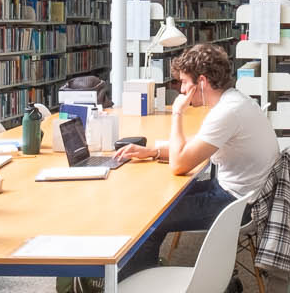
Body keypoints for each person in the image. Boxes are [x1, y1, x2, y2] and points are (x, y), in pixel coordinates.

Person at [114, 42, 281, 272]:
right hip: (241, 194)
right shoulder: (234, 101)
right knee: (158, 199)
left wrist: (177, 112)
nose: (181, 90)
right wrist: (152, 151)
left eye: (184, 82)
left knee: (150, 218)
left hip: (236, 206)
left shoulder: (226, 112)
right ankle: (134, 279)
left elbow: (179, 165)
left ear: (201, 82)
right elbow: (195, 145)